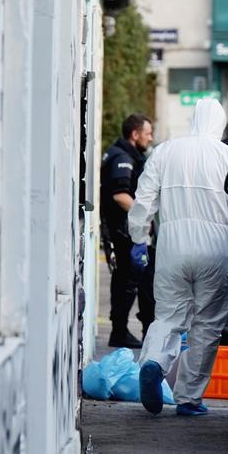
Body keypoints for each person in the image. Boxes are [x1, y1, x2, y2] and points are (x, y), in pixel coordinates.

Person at [129, 99, 228, 416]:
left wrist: (138, 239)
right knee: (207, 325)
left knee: (169, 317)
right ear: (221, 124)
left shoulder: (165, 151)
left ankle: (155, 362)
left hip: (172, 246)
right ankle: (188, 398)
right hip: (214, 250)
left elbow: (144, 200)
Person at [101, 114, 156, 348]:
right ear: (135, 134)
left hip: (127, 231)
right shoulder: (122, 157)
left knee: (135, 282)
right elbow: (120, 195)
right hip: (126, 233)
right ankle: (121, 332)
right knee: (132, 283)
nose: (150, 138)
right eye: (148, 133)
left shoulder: (123, 154)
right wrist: (143, 218)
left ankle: (130, 332)